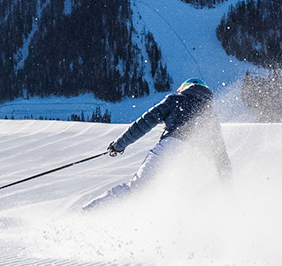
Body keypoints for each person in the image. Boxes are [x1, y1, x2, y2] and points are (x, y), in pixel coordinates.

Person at [81, 78, 234, 211]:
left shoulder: (176, 100)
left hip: (172, 148)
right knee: (174, 201)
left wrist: (118, 145)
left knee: (137, 190)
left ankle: (90, 212)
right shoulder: (210, 115)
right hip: (193, 160)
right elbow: (222, 157)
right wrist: (229, 192)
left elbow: (144, 123)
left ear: (184, 88)